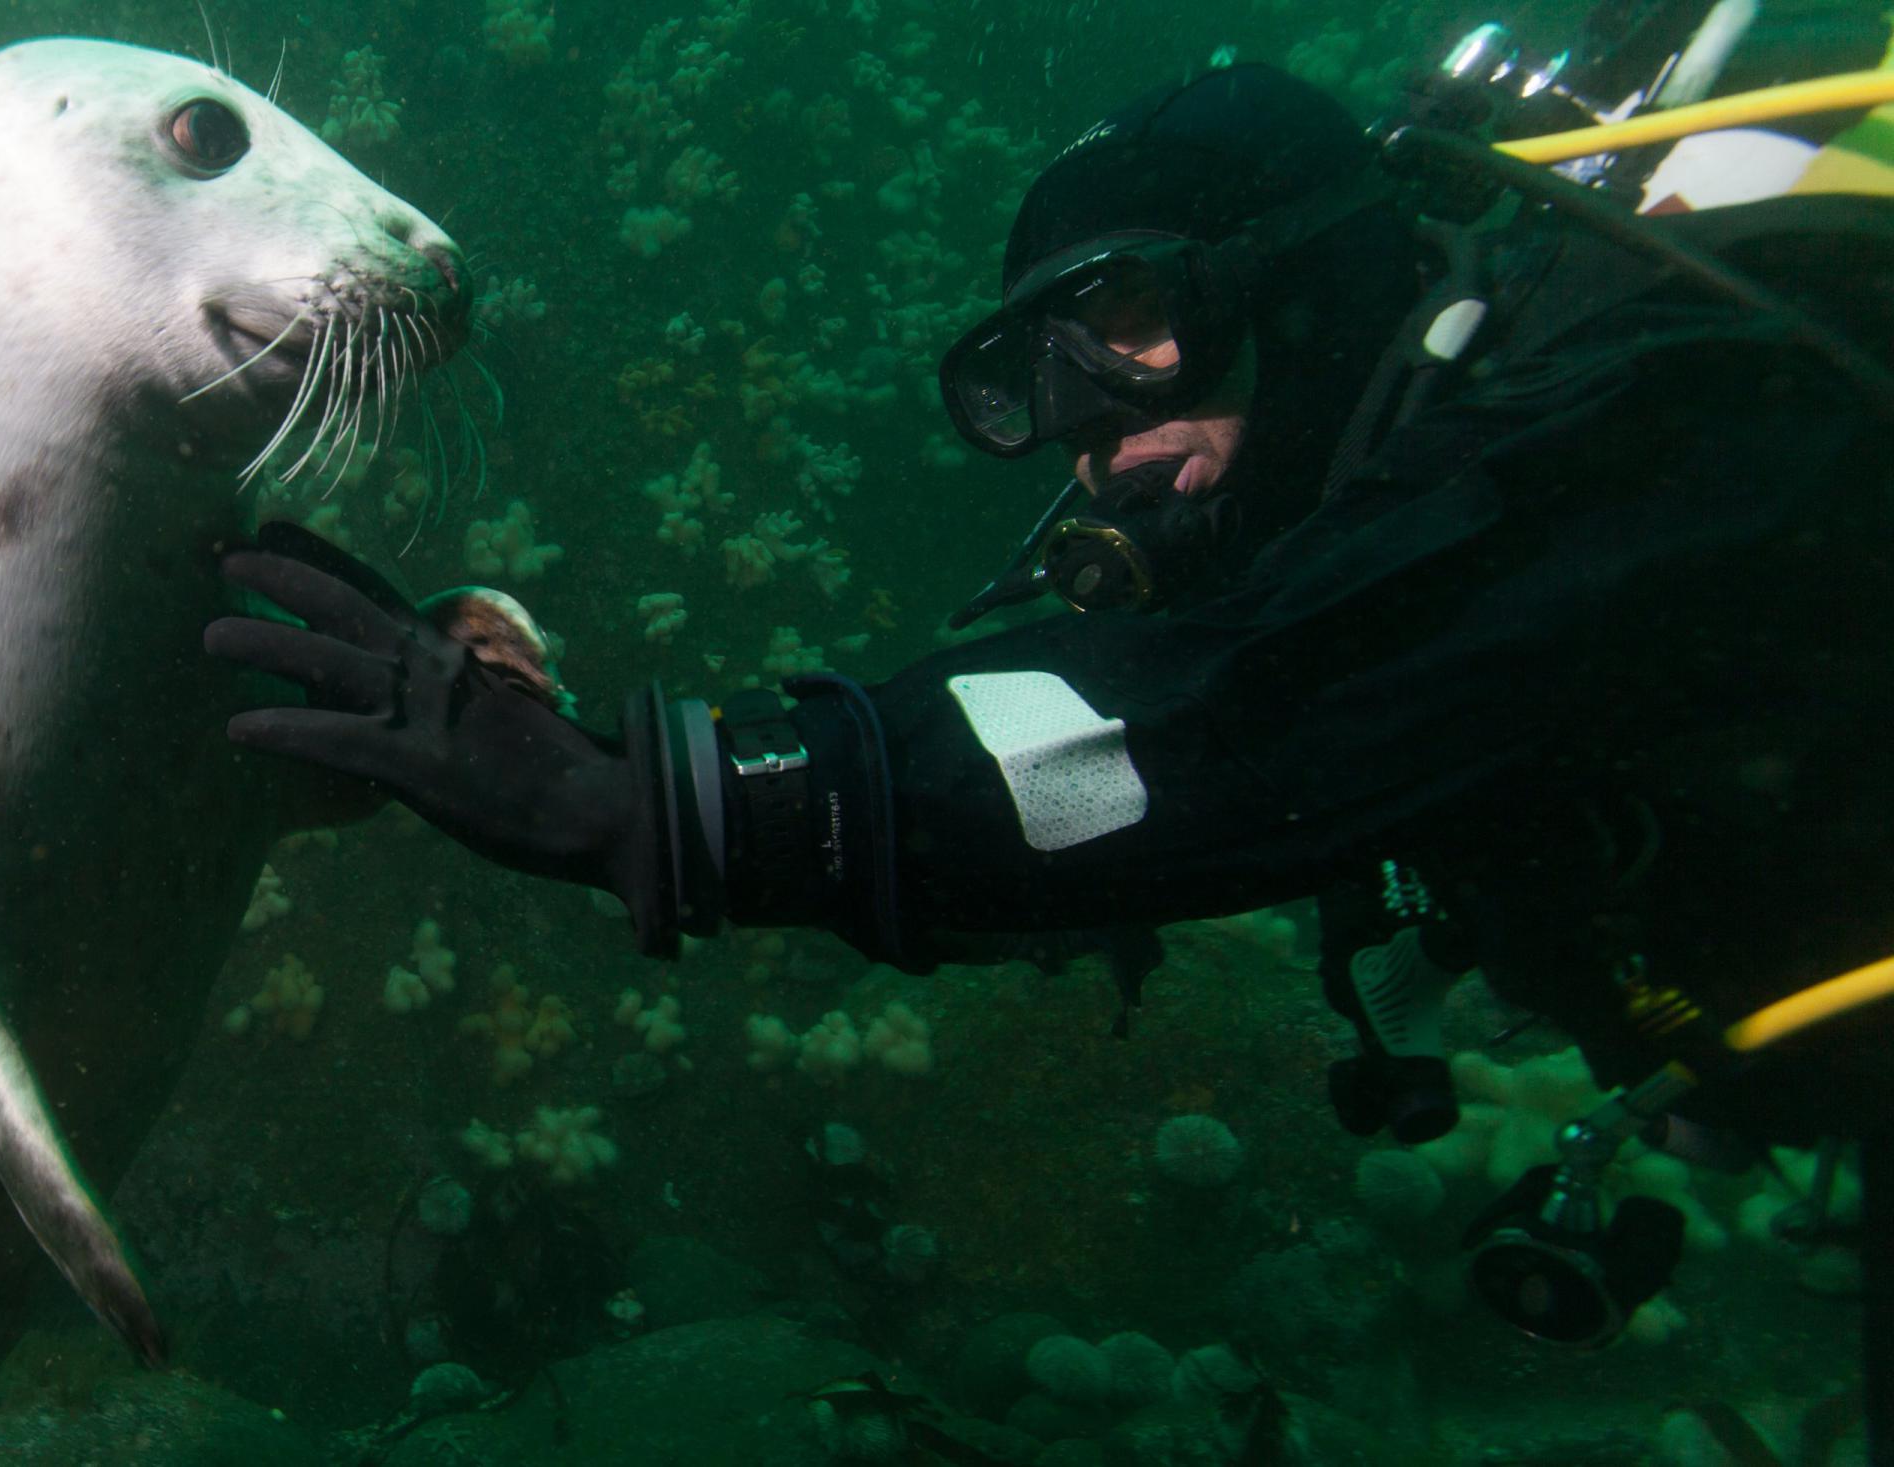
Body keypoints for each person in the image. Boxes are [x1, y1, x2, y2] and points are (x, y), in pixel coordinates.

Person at [206, 62, 1894, 1347]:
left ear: (1318, 275)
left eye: (1133, 327)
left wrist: (665, 802)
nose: (1090, 430)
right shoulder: (1441, 508)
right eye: (1037, 381)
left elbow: (1221, 732)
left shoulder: (1680, 389)